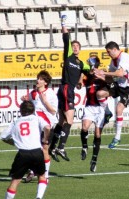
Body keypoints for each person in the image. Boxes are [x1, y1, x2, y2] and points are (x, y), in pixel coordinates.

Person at [0, 100, 51, 199]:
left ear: (21, 111)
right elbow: (47, 128)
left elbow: (2, 137)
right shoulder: (36, 118)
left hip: (22, 154)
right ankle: (38, 198)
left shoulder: (16, 122)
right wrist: (45, 140)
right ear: (33, 110)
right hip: (37, 152)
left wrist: (15, 143)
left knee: (15, 181)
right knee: (42, 176)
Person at [49, 15, 90, 162]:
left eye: (77, 46)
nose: (75, 48)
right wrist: (63, 23)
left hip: (65, 90)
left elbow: (89, 72)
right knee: (70, 120)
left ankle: (52, 147)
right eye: (73, 46)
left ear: (80, 49)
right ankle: (61, 147)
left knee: (61, 121)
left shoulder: (81, 63)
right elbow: (66, 37)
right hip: (66, 89)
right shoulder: (68, 57)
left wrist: (81, 79)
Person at [94, 41, 129, 149]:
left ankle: (117, 137)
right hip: (119, 85)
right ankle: (107, 113)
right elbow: (111, 78)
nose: (108, 54)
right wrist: (98, 75)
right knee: (99, 94)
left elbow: (119, 73)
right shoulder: (113, 61)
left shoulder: (124, 57)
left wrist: (103, 73)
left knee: (119, 109)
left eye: (109, 52)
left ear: (114, 49)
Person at [22, 70, 58, 183]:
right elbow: (27, 101)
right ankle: (33, 170)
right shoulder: (33, 93)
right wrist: (24, 100)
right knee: (33, 149)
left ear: (46, 82)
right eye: (38, 78)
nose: (38, 80)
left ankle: (45, 175)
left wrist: (45, 101)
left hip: (47, 125)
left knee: (44, 149)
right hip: (35, 126)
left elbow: (53, 111)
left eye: (41, 79)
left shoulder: (51, 94)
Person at [80, 56, 107, 172]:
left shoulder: (101, 76)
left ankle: (94, 160)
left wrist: (101, 76)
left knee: (97, 134)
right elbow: (79, 83)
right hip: (89, 107)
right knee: (84, 127)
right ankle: (85, 147)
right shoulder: (87, 78)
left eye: (91, 64)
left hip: (100, 108)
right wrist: (82, 74)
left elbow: (109, 84)